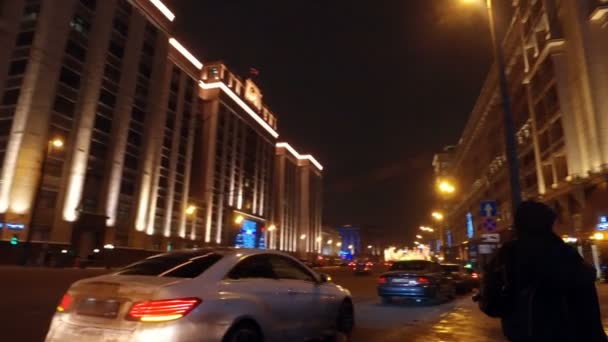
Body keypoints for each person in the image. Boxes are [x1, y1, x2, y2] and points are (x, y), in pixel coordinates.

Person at [476, 201, 607, 342]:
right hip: (567, 334)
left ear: (519, 224)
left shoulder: (508, 253)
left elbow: (492, 302)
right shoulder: (565, 252)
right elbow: (588, 307)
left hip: (526, 334)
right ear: (549, 223)